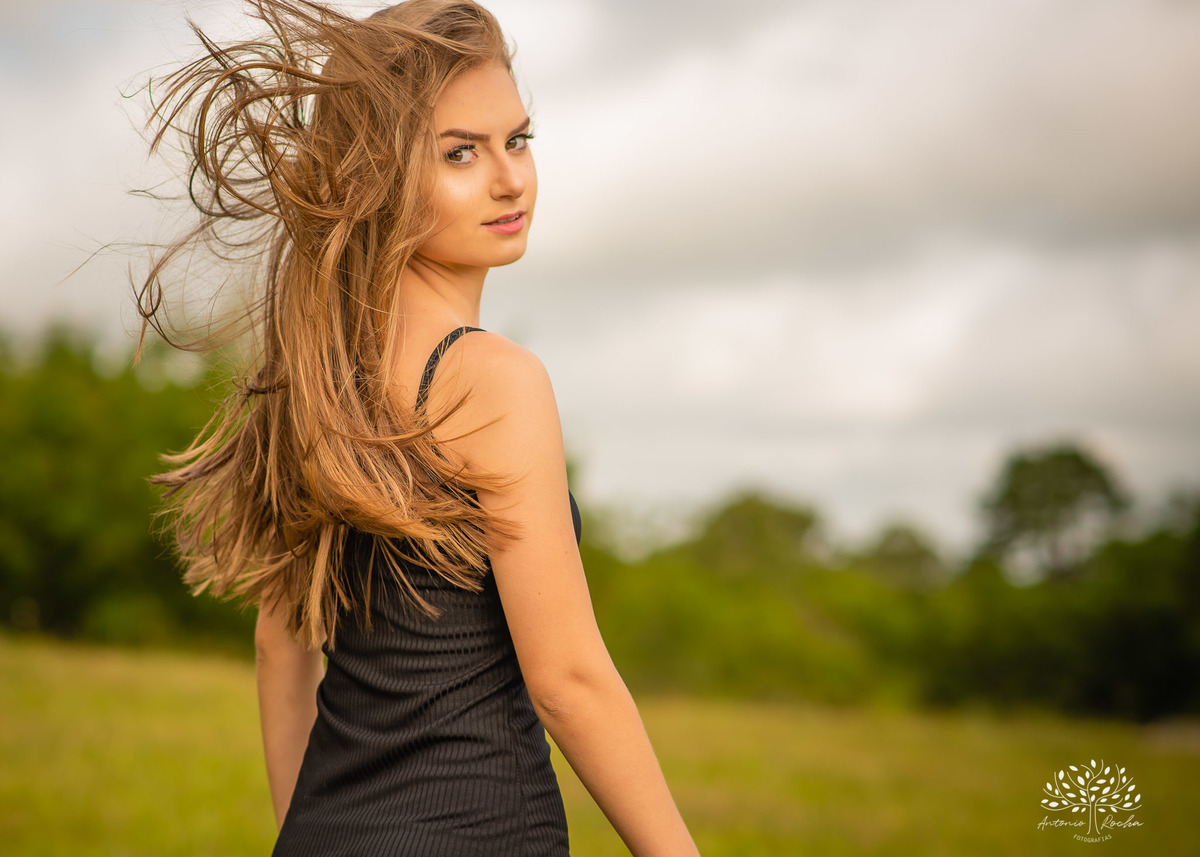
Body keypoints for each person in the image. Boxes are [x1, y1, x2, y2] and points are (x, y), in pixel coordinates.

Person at [134, 1, 700, 854]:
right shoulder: (495, 380)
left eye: (519, 139)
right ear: (376, 175)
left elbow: (278, 649)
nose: (509, 179)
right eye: (460, 153)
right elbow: (569, 681)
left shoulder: (316, 376)